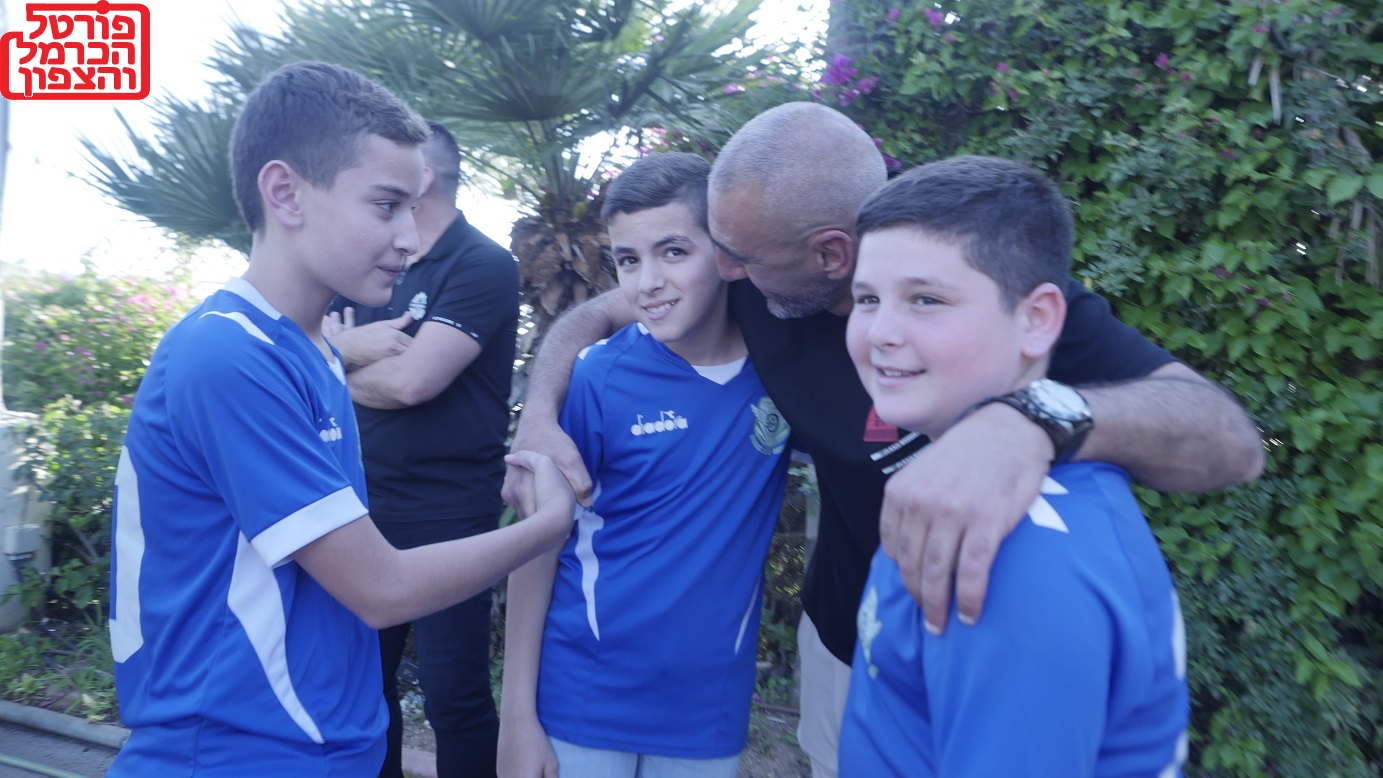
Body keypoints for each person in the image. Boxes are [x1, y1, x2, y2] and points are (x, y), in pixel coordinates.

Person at [504, 101, 1260, 777]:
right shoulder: (759, 278)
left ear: (829, 253)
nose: (721, 271)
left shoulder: (981, 284)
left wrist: (1033, 417)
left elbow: (1229, 438)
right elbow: (600, 314)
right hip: (851, 632)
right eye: (869, 303)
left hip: (985, 616)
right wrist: (540, 411)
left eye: (920, 302)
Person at [106, 61, 572, 777]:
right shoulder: (225, 356)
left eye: (414, 208)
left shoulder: (316, 354)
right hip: (233, 756)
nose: (410, 238)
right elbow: (381, 589)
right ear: (285, 192)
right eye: (386, 206)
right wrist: (547, 526)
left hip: (325, 747)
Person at [837, 155, 1188, 776]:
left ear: (1037, 319)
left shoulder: (1007, 564)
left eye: (925, 299)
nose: (879, 333)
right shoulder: (975, 484)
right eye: (867, 299)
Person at [497, 152, 793, 778]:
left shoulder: (782, 370)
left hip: (707, 709)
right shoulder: (599, 377)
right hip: (584, 696)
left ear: (726, 254)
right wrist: (516, 716)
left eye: (674, 252)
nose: (648, 281)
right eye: (628, 260)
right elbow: (535, 548)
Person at [322, 120, 518, 778]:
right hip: (360, 508)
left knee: (453, 697)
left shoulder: (482, 263)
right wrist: (342, 352)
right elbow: (307, 348)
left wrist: (337, 359)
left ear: (423, 177)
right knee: (363, 689)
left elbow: (412, 382)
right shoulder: (369, 261)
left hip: (448, 516)